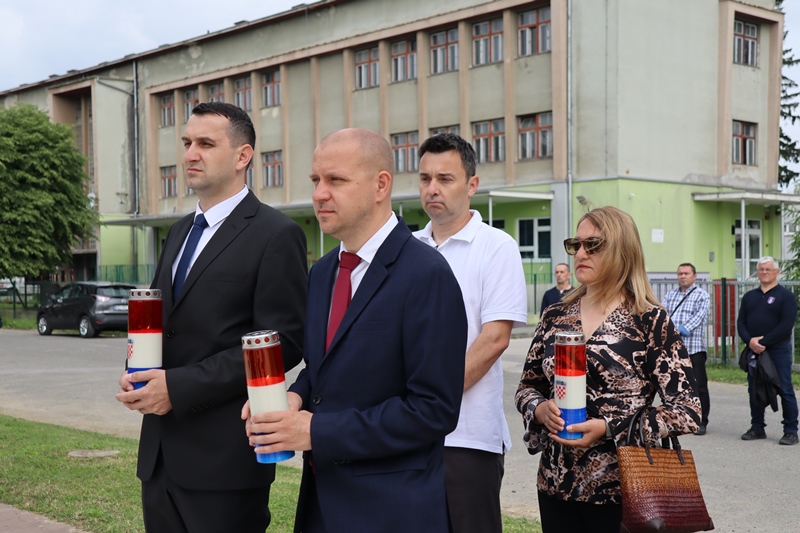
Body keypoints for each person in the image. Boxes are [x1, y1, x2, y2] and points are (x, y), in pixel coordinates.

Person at [245, 128, 468, 532]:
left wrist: (315, 430)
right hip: (321, 504)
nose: (319, 194)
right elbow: (323, 368)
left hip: (391, 511)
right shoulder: (322, 273)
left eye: (336, 180)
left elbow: (433, 410)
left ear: (381, 185)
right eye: (316, 180)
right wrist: (294, 397)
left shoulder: (426, 274)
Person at [115, 102, 308, 532]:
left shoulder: (277, 234)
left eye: (205, 143)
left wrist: (178, 388)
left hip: (225, 464)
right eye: (187, 143)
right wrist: (136, 373)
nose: (190, 154)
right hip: (160, 457)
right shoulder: (179, 232)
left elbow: (284, 344)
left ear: (243, 156)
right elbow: (164, 323)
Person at [515, 206, 700, 533]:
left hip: (624, 489)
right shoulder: (556, 315)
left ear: (622, 250)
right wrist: (539, 409)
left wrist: (609, 427)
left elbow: (687, 411)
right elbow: (527, 387)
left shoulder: (649, 320)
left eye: (593, 245)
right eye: (575, 245)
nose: (580, 253)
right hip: (556, 483)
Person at [413, 133, 528, 533]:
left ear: (472, 184)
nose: (432, 188)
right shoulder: (407, 248)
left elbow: (494, 339)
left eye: (445, 178)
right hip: (406, 433)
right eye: (425, 178)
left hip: (468, 438)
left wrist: (431, 399)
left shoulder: (496, 247)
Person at [737, 256, 799, 446]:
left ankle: (790, 431)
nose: (764, 272)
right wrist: (750, 341)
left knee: (785, 389)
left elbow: (786, 325)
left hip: (778, 350)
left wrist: (763, 342)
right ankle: (757, 427)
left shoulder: (786, 296)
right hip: (754, 350)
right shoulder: (749, 296)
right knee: (754, 388)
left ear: (777, 272)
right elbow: (741, 322)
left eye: (768, 269)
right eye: (761, 269)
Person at [663, 263, 711, 435]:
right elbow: (663, 316)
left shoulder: (702, 295)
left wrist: (677, 331)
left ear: (694, 276)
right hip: (673, 350)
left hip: (694, 349)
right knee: (675, 386)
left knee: (699, 386)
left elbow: (698, 318)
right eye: (680, 273)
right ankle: (678, 419)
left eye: (686, 273)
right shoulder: (670, 295)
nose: (682, 276)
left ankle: (702, 421)